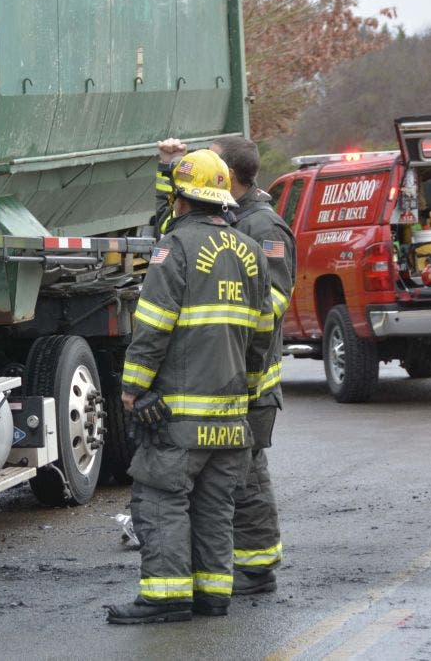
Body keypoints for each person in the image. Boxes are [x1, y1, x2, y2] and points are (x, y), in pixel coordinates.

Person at [106, 149, 273, 625]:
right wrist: (249, 392)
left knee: (160, 499)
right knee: (215, 505)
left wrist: (133, 389)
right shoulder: (251, 251)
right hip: (231, 415)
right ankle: (213, 595)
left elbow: (154, 324)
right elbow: (263, 335)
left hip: (180, 415)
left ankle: (165, 597)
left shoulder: (175, 249)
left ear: (180, 201)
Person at [159, 135, 297, 595]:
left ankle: (256, 567)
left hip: (251, 379)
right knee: (231, 476)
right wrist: (168, 169)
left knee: (246, 476)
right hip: (225, 374)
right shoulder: (233, 220)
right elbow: (172, 225)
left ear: (229, 175)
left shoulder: (264, 228)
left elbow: (272, 304)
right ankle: (235, 565)